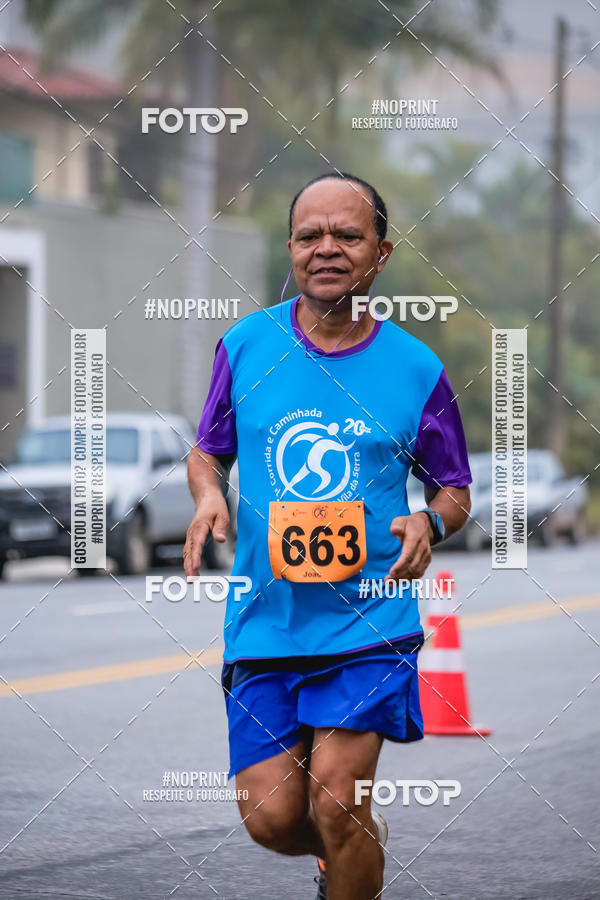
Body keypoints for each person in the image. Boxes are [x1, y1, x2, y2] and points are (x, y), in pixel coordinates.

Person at [184, 172, 472, 900]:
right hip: (265, 624)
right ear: (290, 248)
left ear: (381, 254)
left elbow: (455, 489)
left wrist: (429, 521)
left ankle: (348, 840)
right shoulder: (246, 346)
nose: (327, 249)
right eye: (310, 235)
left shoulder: (416, 369)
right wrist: (209, 495)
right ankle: (351, 851)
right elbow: (206, 448)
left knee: (336, 803)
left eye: (347, 235)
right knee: (274, 819)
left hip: (369, 619)